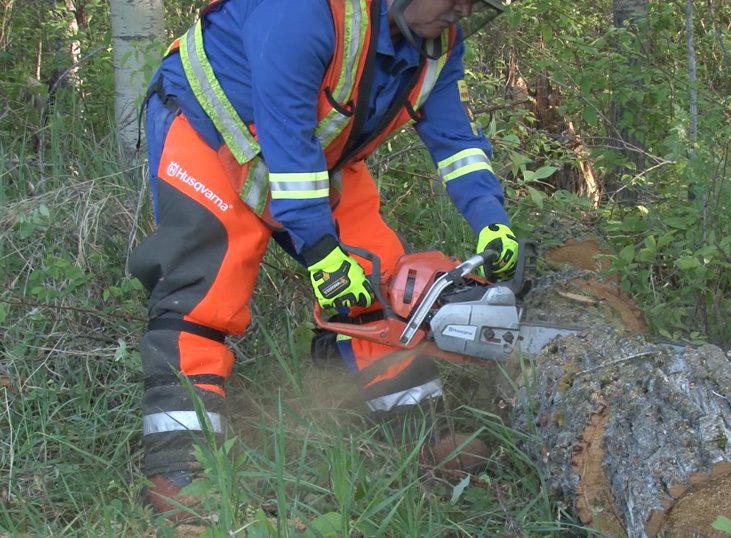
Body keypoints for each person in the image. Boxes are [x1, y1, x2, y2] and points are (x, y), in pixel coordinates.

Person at [129, 0, 519, 519]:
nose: (463, 9)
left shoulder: (436, 44)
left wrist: (490, 220)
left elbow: (455, 143)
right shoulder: (303, 10)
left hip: (312, 152)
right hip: (212, 127)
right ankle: (179, 469)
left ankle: (416, 426)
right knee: (203, 292)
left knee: (380, 277)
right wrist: (319, 249)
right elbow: (285, 133)